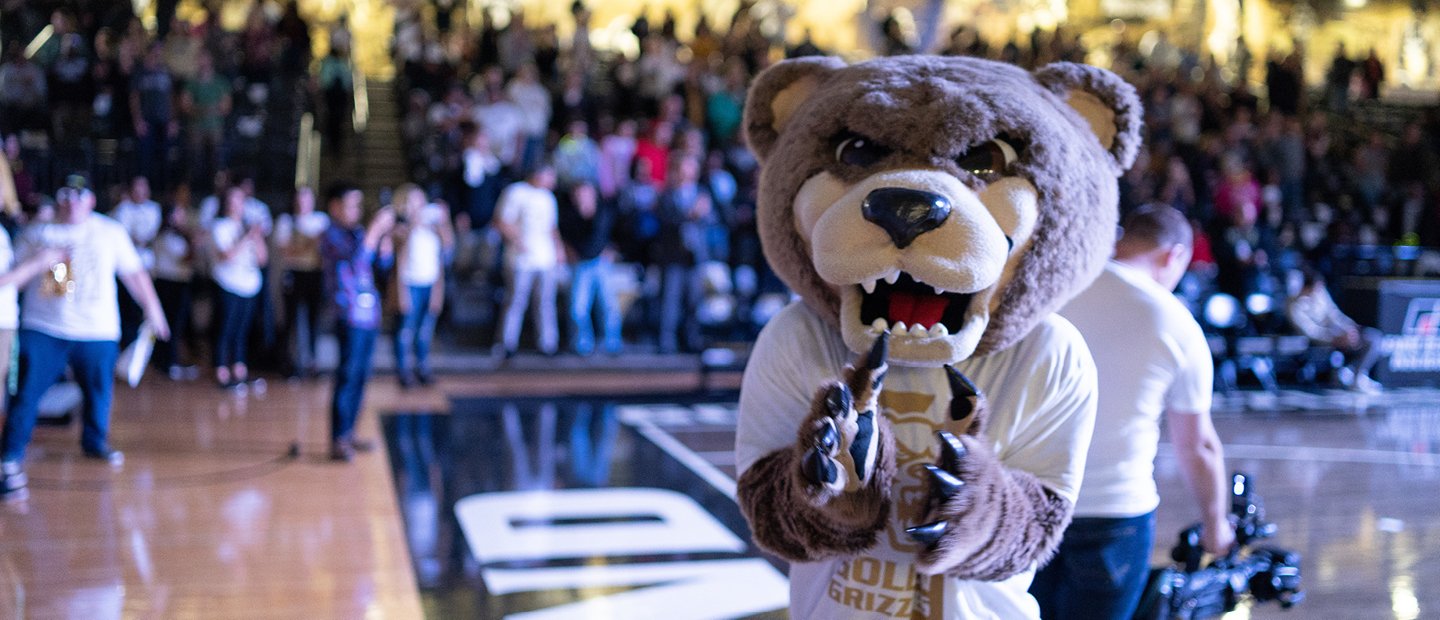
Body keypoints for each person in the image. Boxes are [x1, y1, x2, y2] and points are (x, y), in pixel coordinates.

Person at [1030, 205, 1234, 620]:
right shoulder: (1175, 322)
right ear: (1174, 255)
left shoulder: (1054, 290)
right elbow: (1197, 446)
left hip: (1034, 501)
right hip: (1116, 513)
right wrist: (1217, 524)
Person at [1, 181, 171, 498]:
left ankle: (95, 442)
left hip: (97, 329)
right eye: (65, 194)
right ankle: (10, 453)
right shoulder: (39, 232)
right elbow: (13, 276)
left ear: (92, 200)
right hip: (44, 327)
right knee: (26, 392)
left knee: (98, 392)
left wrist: (154, 311)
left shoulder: (110, 232)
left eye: (79, 195)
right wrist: (39, 261)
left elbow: (134, 274)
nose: (72, 202)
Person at [321, 183, 395, 461]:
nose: (356, 211)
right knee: (347, 374)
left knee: (362, 376)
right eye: (351, 204)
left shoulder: (360, 233)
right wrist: (375, 231)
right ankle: (338, 438)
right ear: (335, 207)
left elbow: (381, 267)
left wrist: (384, 239)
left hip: (369, 314)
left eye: (358, 205)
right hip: (348, 314)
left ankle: (350, 432)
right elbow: (354, 261)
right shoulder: (331, 235)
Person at [493, 164, 561, 358]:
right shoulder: (516, 192)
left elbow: (552, 227)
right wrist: (517, 240)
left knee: (546, 302)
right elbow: (501, 221)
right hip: (520, 259)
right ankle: (506, 344)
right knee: (515, 301)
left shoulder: (549, 198)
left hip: (545, 258)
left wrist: (558, 249)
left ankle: (548, 343)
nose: (552, 181)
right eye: (550, 175)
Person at [391, 184, 453, 387]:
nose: (418, 205)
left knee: (425, 330)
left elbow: (448, 246)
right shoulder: (400, 227)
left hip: (431, 282)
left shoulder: (433, 227)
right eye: (412, 201)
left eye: (420, 200)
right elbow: (398, 248)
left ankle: (423, 367)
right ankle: (403, 371)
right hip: (409, 283)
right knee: (405, 330)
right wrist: (412, 225)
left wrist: (444, 221)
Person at [1288, 268, 1384, 394]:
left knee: (1373, 338)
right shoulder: (1293, 305)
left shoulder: (1320, 292)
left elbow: (1334, 314)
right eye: (1315, 288)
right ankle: (1348, 374)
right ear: (1305, 287)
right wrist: (1334, 338)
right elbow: (1310, 332)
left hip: (1337, 334)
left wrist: (1350, 328)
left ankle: (1356, 375)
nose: (1318, 290)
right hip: (1318, 341)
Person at [208, 186, 267, 388]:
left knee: (242, 330)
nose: (237, 204)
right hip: (228, 284)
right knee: (225, 328)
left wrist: (256, 237)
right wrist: (246, 237)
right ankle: (221, 371)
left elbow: (262, 259)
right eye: (232, 200)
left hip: (249, 285)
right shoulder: (220, 226)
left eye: (240, 200)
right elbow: (227, 256)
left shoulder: (247, 227)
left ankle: (239, 371)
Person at [558, 182, 621, 356]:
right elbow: (563, 237)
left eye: (585, 194)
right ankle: (581, 343)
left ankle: (612, 342)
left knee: (609, 305)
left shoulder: (604, 211)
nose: (581, 197)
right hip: (580, 264)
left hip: (602, 263)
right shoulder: (568, 215)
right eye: (578, 194)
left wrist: (613, 249)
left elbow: (615, 233)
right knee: (578, 307)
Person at [275, 186, 329, 379]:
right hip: (294, 274)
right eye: (299, 198)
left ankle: (312, 363)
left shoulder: (321, 220)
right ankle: (288, 363)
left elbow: (326, 252)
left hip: (315, 274)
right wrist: (310, 243)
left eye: (307, 198)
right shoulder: (286, 221)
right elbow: (286, 251)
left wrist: (307, 246)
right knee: (290, 320)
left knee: (314, 320)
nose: (303, 202)